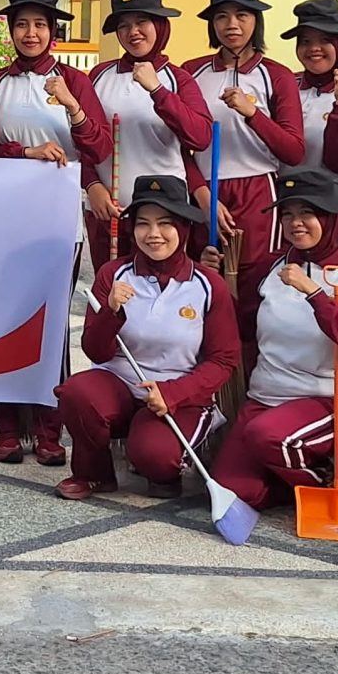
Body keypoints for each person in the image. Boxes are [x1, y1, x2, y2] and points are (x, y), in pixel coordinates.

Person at [53, 174, 239, 501]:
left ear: (183, 228)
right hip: (121, 384)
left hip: (179, 393)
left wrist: (173, 392)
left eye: (165, 223)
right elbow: (96, 352)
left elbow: (223, 360)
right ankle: (93, 474)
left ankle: (161, 463)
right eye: (144, 224)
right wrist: (110, 312)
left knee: (156, 457)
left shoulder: (209, 285)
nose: (153, 235)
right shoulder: (113, 275)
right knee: (77, 393)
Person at [0, 0, 107, 466]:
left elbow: (99, 148)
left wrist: (72, 107)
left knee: (51, 324)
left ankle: (50, 427)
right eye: (22, 24)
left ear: (53, 31)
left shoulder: (74, 82)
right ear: (10, 30)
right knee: (4, 317)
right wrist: (24, 151)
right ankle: (8, 427)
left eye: (40, 25)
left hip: (57, 217)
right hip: (3, 215)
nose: (30, 33)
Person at [212, 168, 338, 510]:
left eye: (307, 213)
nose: (296, 223)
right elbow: (241, 326)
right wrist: (212, 281)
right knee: (232, 492)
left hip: (324, 399)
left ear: (330, 217)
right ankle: (293, 480)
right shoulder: (269, 267)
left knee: (267, 436)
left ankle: (320, 483)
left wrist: (315, 294)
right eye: (287, 214)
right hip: (264, 398)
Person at [182, 0, 308, 342]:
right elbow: (178, 143)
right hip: (204, 192)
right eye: (222, 16)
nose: (232, 25)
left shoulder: (277, 76)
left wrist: (253, 113)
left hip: (259, 192)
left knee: (254, 288)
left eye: (242, 14)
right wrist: (202, 193)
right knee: (203, 283)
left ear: (257, 19)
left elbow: (293, 150)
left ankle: (253, 387)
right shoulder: (192, 72)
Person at [84, 0, 213, 269]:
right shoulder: (98, 76)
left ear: (160, 25)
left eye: (142, 22)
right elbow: (82, 138)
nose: (134, 32)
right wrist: (92, 185)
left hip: (165, 216)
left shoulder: (178, 79)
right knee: (113, 296)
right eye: (124, 25)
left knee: (166, 294)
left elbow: (200, 136)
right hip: (110, 214)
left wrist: (157, 90)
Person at [280, 0, 338, 178]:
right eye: (306, 41)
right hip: (287, 200)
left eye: (325, 40)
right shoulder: (285, 85)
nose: (314, 48)